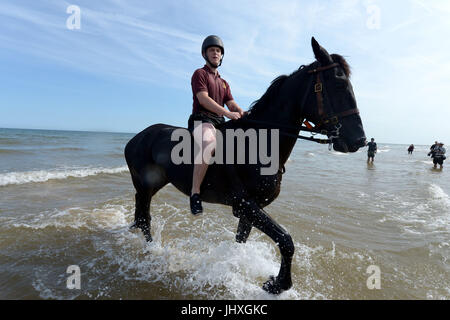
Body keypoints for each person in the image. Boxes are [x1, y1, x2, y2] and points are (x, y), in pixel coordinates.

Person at [188, 35, 244, 215]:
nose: (215, 53)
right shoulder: (200, 74)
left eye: (218, 51)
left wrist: (243, 112)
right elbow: (203, 99)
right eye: (212, 50)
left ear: (221, 56)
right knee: (209, 143)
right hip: (202, 119)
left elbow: (232, 103)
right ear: (205, 54)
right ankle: (195, 193)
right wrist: (227, 113)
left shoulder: (224, 83)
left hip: (219, 122)